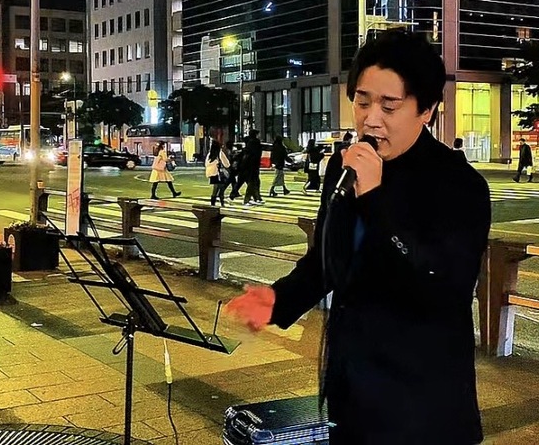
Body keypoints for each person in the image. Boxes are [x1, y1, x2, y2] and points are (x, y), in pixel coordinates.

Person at [227, 29, 490, 445]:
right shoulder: (344, 168)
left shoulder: (458, 185)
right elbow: (328, 260)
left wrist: (375, 200)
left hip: (423, 401)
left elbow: (445, 287)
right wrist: (278, 299)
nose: (371, 118)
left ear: (426, 110)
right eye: (362, 101)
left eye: (389, 105)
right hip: (351, 390)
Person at [241, 130, 264, 206]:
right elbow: (255, 154)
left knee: (255, 182)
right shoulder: (255, 142)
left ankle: (257, 198)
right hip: (253, 165)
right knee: (252, 182)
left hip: (251, 165)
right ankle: (247, 200)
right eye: (258, 134)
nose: (259, 136)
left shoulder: (249, 142)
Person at [205, 140, 231, 206]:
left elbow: (206, 164)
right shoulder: (220, 153)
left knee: (215, 188)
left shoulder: (209, 154)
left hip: (211, 173)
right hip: (218, 173)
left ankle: (213, 203)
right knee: (221, 188)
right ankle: (221, 202)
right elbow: (227, 164)